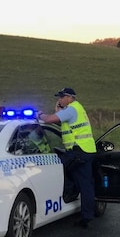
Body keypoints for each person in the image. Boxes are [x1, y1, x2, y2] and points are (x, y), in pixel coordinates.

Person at [38, 87, 97, 228]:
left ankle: (71, 196)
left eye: (62, 97)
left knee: (58, 168)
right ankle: (86, 213)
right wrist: (58, 110)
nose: (60, 99)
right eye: (59, 97)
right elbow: (60, 122)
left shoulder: (71, 109)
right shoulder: (75, 109)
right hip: (85, 150)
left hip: (79, 151)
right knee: (84, 183)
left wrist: (39, 115)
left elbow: (50, 120)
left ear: (71, 97)